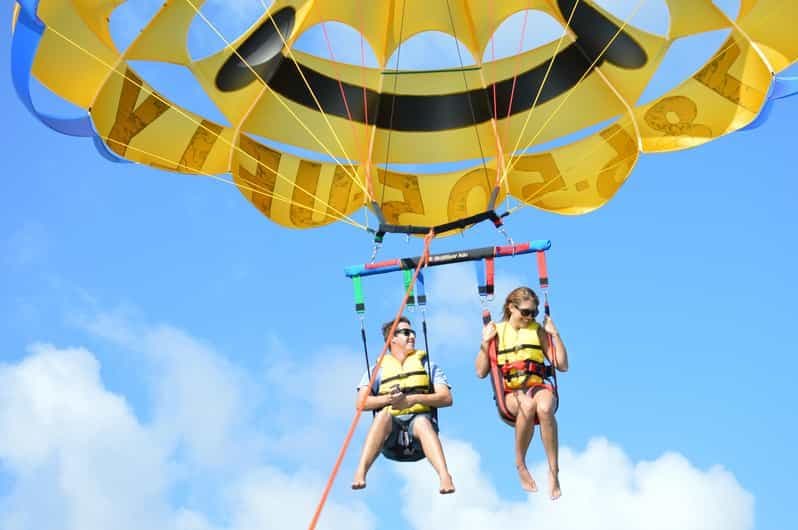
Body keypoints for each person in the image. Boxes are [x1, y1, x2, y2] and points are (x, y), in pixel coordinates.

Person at [475, 286, 569, 500]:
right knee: (527, 406)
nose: (530, 317)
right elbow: (480, 371)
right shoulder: (496, 331)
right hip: (511, 392)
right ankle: (521, 465)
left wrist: (555, 334)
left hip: (537, 387)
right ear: (511, 308)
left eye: (533, 313)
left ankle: (553, 471)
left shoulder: (537, 330)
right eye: (525, 312)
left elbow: (562, 365)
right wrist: (485, 343)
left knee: (544, 408)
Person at [351, 316, 455, 494]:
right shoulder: (376, 371)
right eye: (406, 333)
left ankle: (444, 475)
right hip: (391, 437)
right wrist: (390, 400)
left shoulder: (428, 366)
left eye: (413, 332)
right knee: (383, 415)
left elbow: (446, 398)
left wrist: (412, 400)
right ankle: (361, 470)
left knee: (422, 422)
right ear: (392, 339)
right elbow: (361, 403)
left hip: (419, 435)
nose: (412, 336)